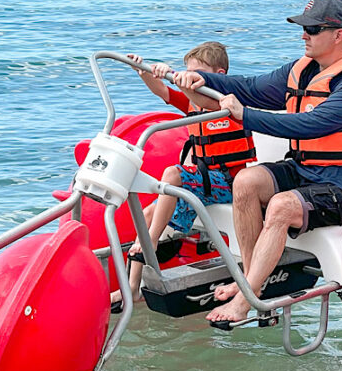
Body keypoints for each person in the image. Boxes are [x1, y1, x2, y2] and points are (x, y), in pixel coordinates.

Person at [173, 0, 342, 326]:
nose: (304, 35)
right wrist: (204, 80)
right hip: (304, 171)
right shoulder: (301, 72)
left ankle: (247, 300)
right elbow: (249, 87)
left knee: (282, 206)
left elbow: (310, 125)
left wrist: (246, 117)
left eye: (312, 30)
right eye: (304, 29)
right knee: (246, 180)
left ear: (338, 34)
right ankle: (249, 278)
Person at [110, 42, 256, 310]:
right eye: (187, 72)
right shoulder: (193, 103)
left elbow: (207, 101)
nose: (188, 79)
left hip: (230, 183)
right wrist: (146, 73)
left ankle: (151, 242)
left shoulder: (228, 104)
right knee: (148, 214)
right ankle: (132, 287)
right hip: (204, 183)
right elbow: (164, 92)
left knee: (172, 173)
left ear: (218, 74)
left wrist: (181, 82)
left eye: (195, 74)